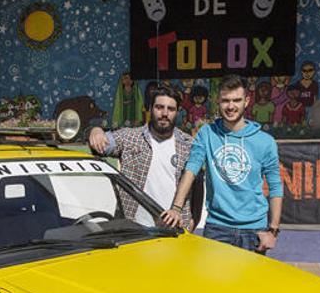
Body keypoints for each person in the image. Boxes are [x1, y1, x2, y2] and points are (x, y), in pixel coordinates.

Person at [161, 75, 283, 253]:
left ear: (247, 101)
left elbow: (275, 186)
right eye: (225, 100)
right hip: (217, 228)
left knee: (251, 282)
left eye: (236, 100)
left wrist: (272, 230)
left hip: (254, 231)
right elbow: (191, 170)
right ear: (217, 101)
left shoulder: (265, 142)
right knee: (214, 281)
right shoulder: (207, 134)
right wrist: (176, 209)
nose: (231, 106)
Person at [89, 85, 195, 229]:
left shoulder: (188, 144)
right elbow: (100, 144)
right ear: (150, 109)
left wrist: (193, 217)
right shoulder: (130, 137)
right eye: (159, 107)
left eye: (171, 109)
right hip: (135, 228)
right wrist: (95, 130)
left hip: (176, 226)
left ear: (177, 112)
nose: (165, 113)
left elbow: (197, 186)